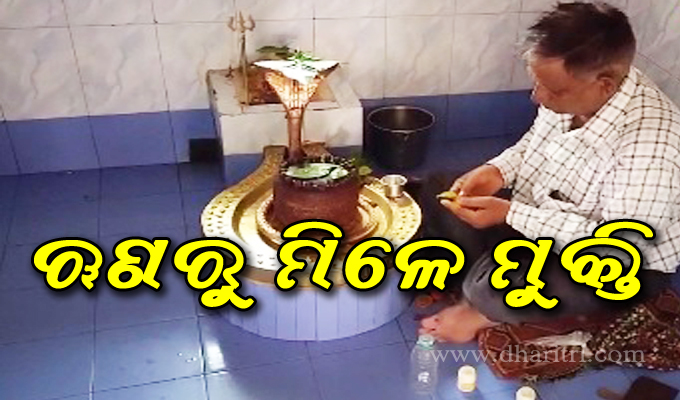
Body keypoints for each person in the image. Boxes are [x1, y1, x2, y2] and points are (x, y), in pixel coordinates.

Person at [418, 1, 680, 343]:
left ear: (604, 85)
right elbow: (535, 143)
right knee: (437, 188)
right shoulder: (576, 90)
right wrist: (497, 171)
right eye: (537, 83)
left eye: (552, 90)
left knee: (487, 290)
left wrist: (511, 214)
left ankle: (480, 305)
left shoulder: (652, 147)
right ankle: (486, 281)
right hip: (546, 216)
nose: (537, 97)